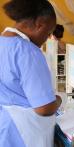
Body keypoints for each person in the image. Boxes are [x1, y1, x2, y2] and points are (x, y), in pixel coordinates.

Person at [0, 0, 62, 147]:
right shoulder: (28, 52)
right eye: (47, 33)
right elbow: (44, 108)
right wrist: (58, 100)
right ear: (39, 24)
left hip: (5, 127)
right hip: (24, 132)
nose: (47, 38)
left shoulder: (2, 42)